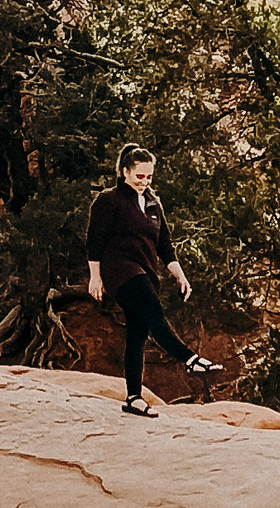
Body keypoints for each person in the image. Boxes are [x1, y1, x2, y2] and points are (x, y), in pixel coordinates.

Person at [85, 145, 222, 416]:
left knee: (138, 333)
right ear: (125, 172)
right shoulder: (109, 199)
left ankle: (134, 397)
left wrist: (179, 274)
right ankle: (190, 359)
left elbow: (165, 245)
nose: (144, 182)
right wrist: (95, 277)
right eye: (139, 176)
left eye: (149, 177)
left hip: (146, 270)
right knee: (153, 311)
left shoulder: (152, 203)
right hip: (120, 270)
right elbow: (94, 240)